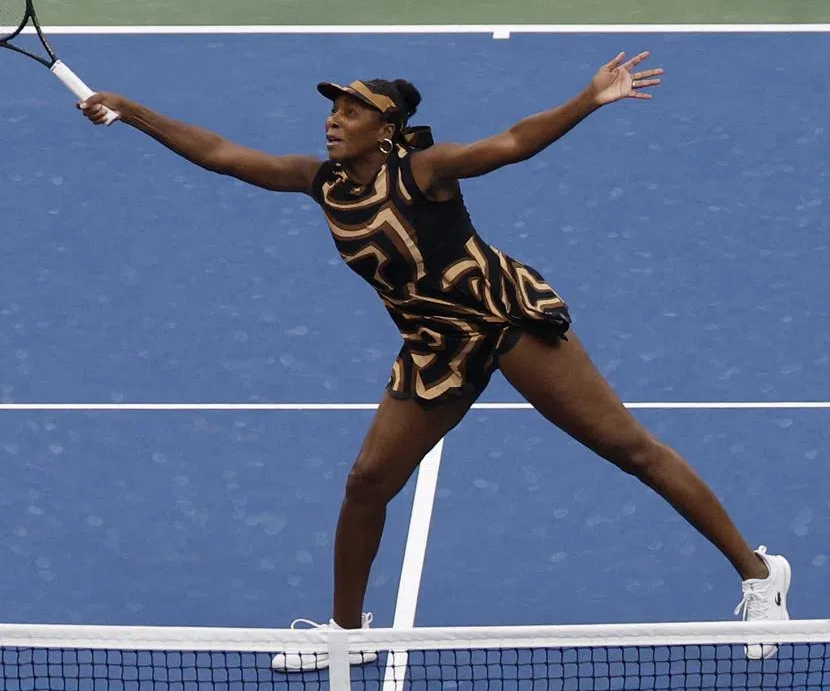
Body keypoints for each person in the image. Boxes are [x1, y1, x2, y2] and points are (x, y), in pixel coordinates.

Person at [77, 53, 791, 669]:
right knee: (366, 483)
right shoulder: (319, 182)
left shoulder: (427, 170)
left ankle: (760, 575)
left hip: (504, 321)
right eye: (334, 108)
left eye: (352, 111)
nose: (335, 118)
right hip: (434, 348)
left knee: (629, 449)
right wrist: (132, 109)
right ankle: (346, 635)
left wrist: (588, 100)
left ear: (385, 129)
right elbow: (223, 154)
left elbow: (512, 143)